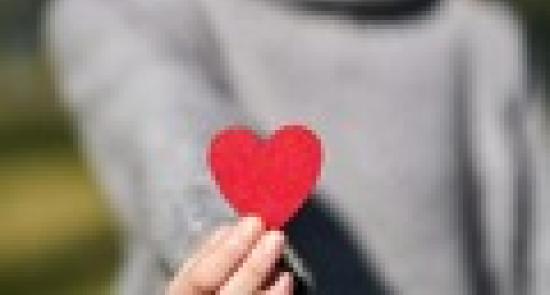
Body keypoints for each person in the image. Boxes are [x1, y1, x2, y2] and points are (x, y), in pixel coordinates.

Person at [46, 0, 547, 294]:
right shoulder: (131, 13)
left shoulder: (479, 39)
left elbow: (531, 253)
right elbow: (163, 129)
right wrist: (217, 247)